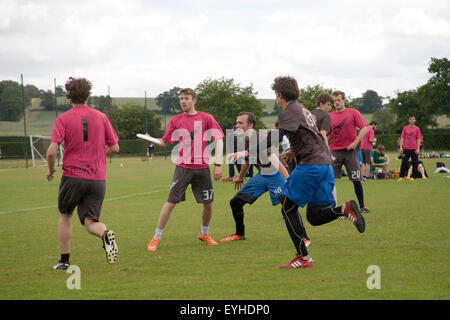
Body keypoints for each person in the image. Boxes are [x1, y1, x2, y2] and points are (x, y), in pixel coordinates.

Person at [247, 76, 365, 269]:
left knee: (287, 207)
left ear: (280, 95)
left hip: (310, 166)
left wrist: (255, 146)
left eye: (275, 94)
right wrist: (295, 149)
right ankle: (344, 209)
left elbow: (277, 136)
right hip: (324, 166)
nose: (275, 99)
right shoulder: (303, 109)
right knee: (315, 216)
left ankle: (303, 257)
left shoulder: (289, 110)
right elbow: (312, 134)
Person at [46, 77, 120, 270]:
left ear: (69, 96)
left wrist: (51, 168)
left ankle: (64, 261)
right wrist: (97, 153)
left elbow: (52, 152)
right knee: (90, 222)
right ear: (88, 94)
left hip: (73, 176)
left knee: (65, 214)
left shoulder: (63, 119)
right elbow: (115, 147)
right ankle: (105, 234)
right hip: (97, 178)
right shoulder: (101, 117)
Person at [146, 88, 224, 252]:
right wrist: (151, 139)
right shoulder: (175, 120)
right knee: (171, 202)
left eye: (186, 98)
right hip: (183, 168)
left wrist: (218, 164)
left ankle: (205, 234)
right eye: (181, 99)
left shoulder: (207, 118)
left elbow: (219, 140)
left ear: (194, 100)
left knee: (208, 204)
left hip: (203, 168)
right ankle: (156, 237)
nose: (183, 101)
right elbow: (164, 142)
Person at [220, 112, 310, 246]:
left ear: (250, 125)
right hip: (261, 176)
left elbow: (275, 161)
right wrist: (240, 177)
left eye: (240, 123)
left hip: (276, 175)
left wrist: (289, 181)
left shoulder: (261, 138)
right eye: (236, 122)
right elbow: (247, 161)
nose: (236, 125)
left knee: (288, 207)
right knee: (235, 202)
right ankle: (240, 234)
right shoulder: (241, 140)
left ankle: (304, 238)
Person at [329, 90, 370, 213]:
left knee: (356, 180)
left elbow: (365, 129)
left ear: (344, 100)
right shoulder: (330, 116)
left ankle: (362, 206)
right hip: (334, 152)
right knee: (329, 181)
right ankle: (331, 208)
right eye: (334, 101)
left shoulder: (353, 113)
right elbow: (325, 134)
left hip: (350, 152)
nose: (336, 103)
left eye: (339, 100)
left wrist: (355, 142)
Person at [311, 92, 337, 203]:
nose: (330, 108)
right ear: (321, 104)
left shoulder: (309, 113)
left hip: (308, 152)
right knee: (330, 179)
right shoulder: (325, 115)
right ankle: (334, 205)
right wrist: (328, 153)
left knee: (313, 179)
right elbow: (323, 134)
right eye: (328, 105)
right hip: (320, 152)